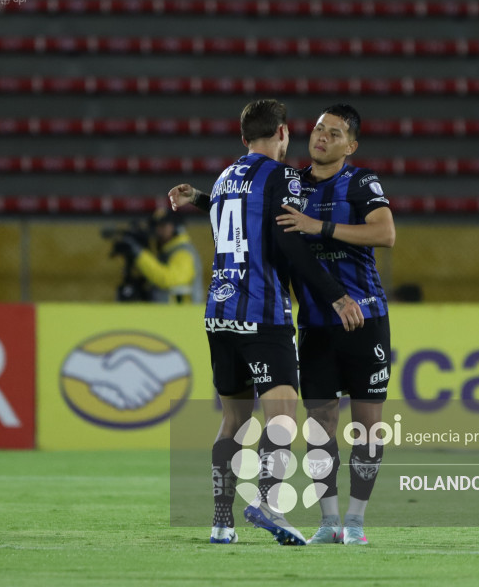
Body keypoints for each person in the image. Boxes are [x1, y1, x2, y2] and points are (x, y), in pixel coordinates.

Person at [167, 99, 364, 547]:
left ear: (243, 139)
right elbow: (288, 241)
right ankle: (269, 504)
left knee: (233, 419)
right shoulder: (282, 176)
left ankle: (221, 522)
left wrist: (196, 197)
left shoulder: (223, 178)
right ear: (282, 133)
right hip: (262, 314)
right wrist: (335, 295)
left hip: (219, 315)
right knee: (281, 415)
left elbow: (237, 217)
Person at [275, 103, 396, 546]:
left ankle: (357, 521)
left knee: (366, 426)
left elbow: (385, 233)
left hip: (365, 319)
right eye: (319, 129)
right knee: (321, 422)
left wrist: (318, 226)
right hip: (316, 324)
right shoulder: (291, 183)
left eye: (335, 133)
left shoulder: (361, 182)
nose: (322, 137)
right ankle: (328, 522)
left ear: (351, 145)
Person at [114, 208, 204, 303]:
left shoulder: (184, 253)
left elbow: (168, 279)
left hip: (184, 314)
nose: (158, 230)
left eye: (163, 226)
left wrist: (139, 254)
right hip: (169, 314)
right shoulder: (165, 252)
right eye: (155, 226)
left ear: (176, 227)